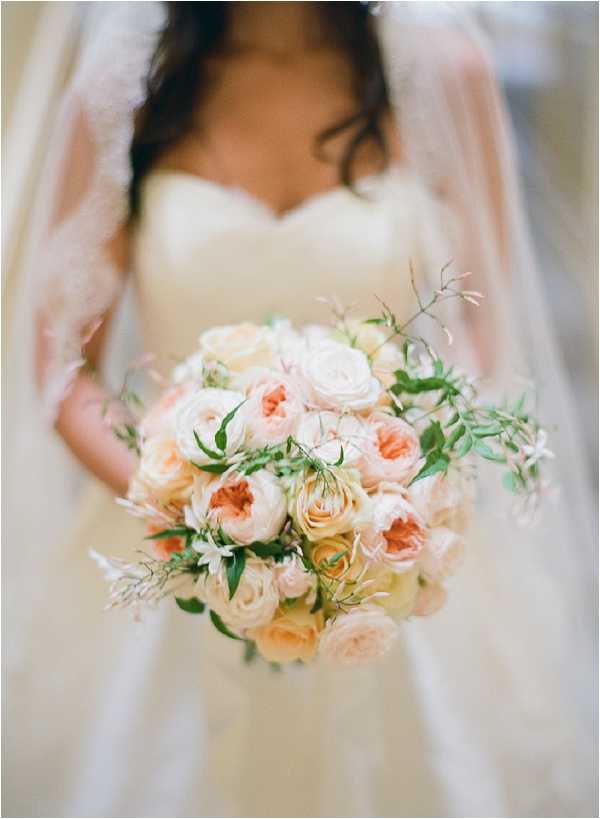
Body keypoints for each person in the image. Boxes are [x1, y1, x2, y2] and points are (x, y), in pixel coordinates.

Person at [4, 3, 596, 816]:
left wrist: (382, 480)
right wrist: (196, 509)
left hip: (387, 546)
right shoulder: (123, 92)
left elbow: (483, 328)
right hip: (167, 552)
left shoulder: (446, 75)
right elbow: (61, 369)